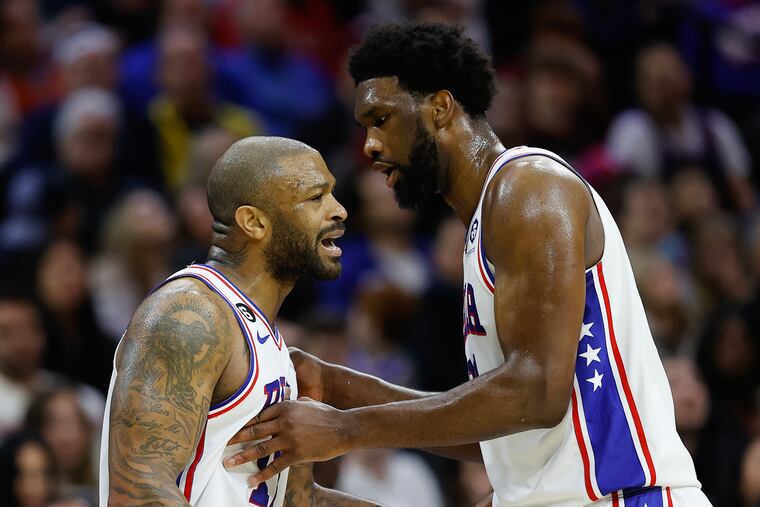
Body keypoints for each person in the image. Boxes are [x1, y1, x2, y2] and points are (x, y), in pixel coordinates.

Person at [224, 23, 712, 506]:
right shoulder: (485, 222)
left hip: (627, 495)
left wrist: (347, 428)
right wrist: (340, 388)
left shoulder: (529, 188)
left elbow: (536, 393)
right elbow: (503, 434)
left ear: (440, 107)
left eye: (381, 119)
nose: (370, 144)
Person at [99, 136, 377, 506]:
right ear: (254, 222)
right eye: (316, 197)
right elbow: (138, 491)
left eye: (332, 194)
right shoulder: (190, 314)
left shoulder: (266, 337)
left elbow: (298, 501)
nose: (339, 210)